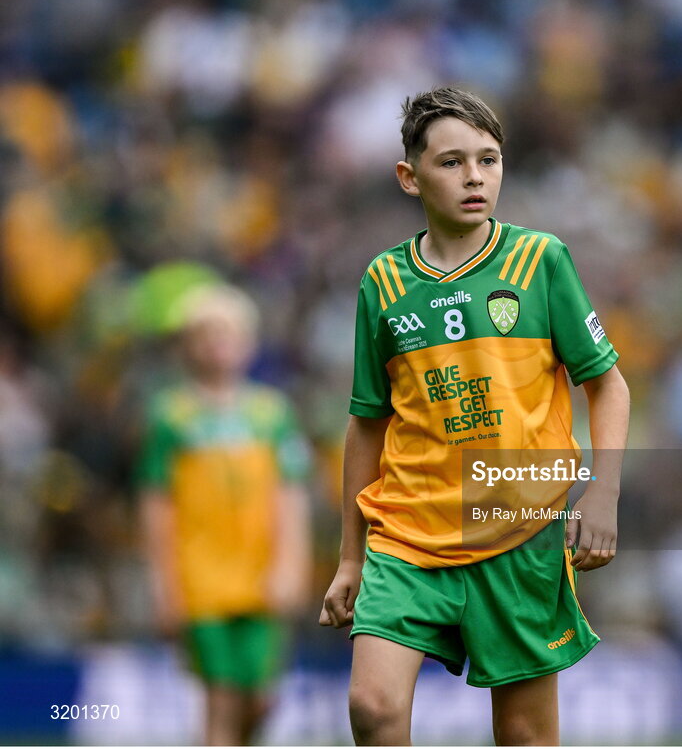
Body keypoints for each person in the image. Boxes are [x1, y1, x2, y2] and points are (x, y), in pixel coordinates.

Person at [319, 87, 630, 745]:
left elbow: (607, 384)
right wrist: (351, 558)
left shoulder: (539, 261)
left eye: (487, 161)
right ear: (410, 176)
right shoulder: (383, 282)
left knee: (523, 735)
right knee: (371, 708)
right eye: (452, 162)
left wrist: (602, 494)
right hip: (408, 534)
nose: (474, 177)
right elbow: (366, 423)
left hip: (517, 533)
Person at [138, 284, 312, 746]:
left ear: (249, 342)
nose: (218, 343)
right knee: (221, 697)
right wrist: (164, 584)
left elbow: (290, 496)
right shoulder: (171, 417)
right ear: (187, 346)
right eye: (206, 333)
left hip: (260, 576)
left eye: (228, 332)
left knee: (262, 699)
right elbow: (157, 505)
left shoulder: (271, 414)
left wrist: (291, 564)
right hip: (202, 581)